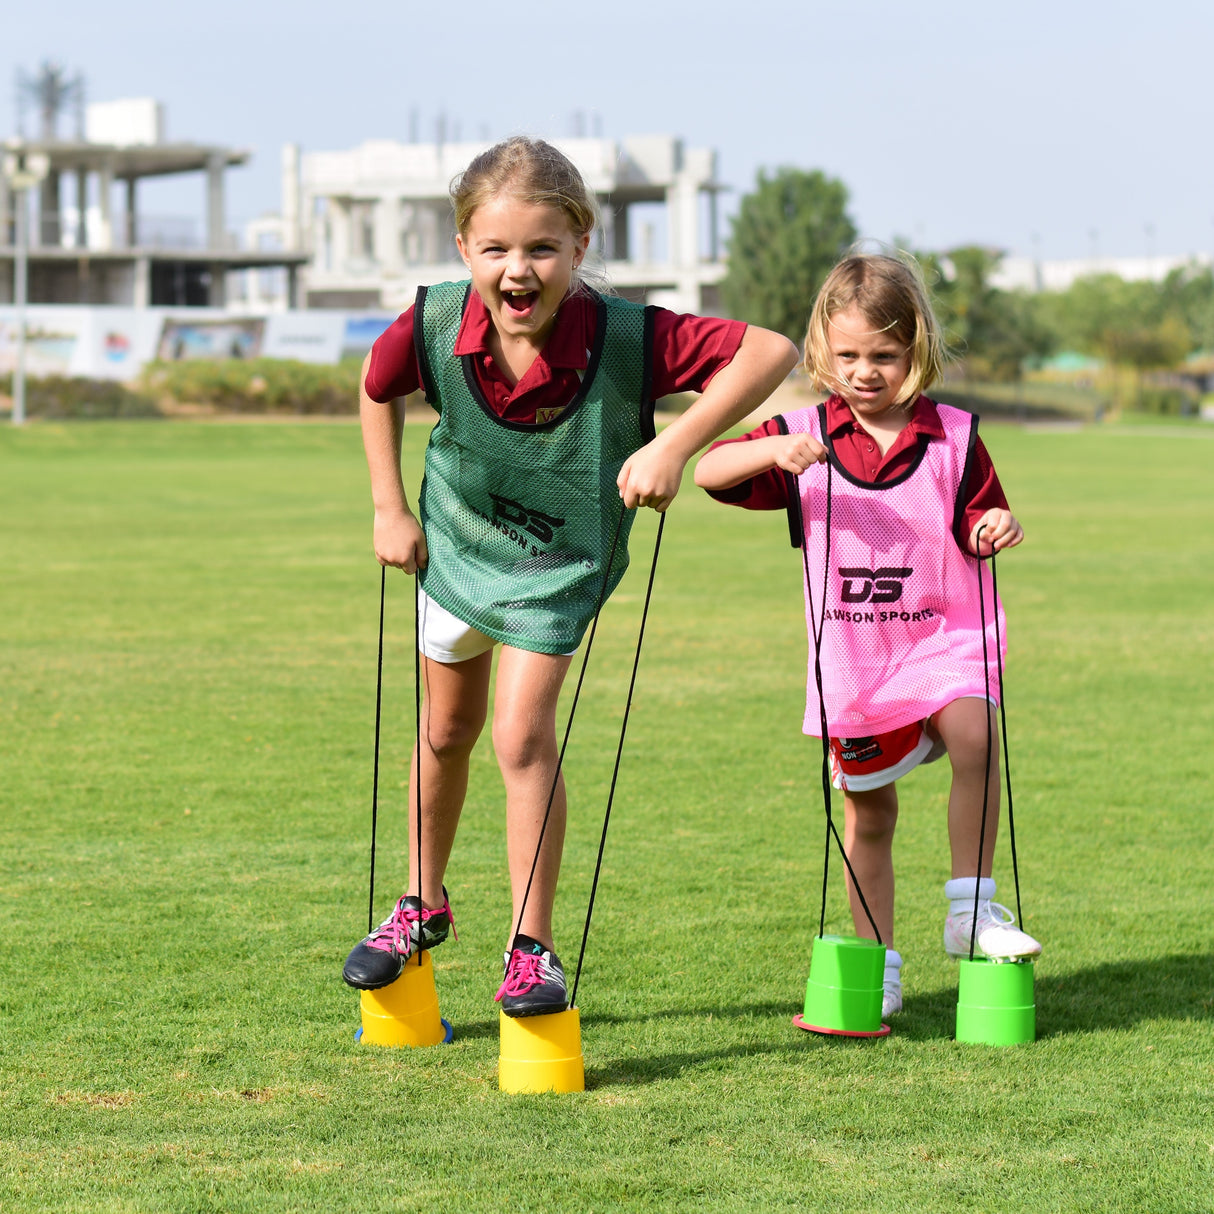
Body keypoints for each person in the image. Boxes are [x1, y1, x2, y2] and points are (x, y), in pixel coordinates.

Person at [342, 136, 799, 1017]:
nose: (520, 269)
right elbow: (376, 387)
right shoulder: (434, 320)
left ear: (581, 246)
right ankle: (421, 905)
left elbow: (770, 351)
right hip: (455, 548)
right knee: (445, 734)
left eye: (543, 249)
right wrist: (386, 507)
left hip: (557, 565)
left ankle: (532, 947)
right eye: (497, 249)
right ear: (464, 248)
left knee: (519, 737)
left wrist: (673, 441)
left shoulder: (632, 335)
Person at [693, 253, 1041, 1019]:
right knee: (871, 816)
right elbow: (708, 474)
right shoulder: (803, 432)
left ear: (915, 348)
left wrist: (993, 526)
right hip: (856, 666)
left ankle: (971, 908)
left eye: (884, 355)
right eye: (848, 355)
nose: (865, 371)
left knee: (976, 736)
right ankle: (877, 962)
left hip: (941, 644)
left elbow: (981, 519)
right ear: (822, 349)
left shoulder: (954, 436)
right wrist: (770, 451)